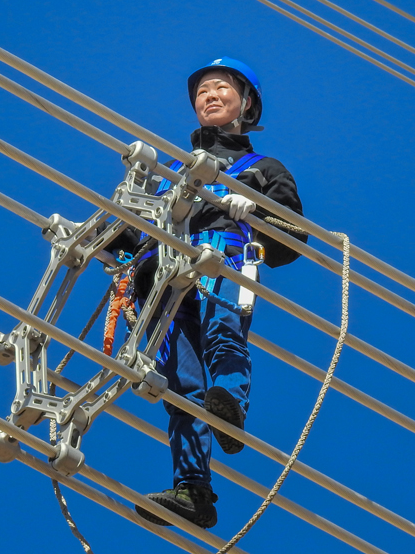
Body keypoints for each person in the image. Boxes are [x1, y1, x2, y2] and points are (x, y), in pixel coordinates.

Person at [123, 57, 307, 528]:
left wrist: (258, 211)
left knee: (223, 333)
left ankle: (229, 406)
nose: (210, 95)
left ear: (246, 105)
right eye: (203, 90)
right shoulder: (171, 171)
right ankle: (193, 491)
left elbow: (293, 239)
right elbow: (130, 232)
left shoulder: (262, 169)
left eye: (221, 87)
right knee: (180, 386)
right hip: (162, 278)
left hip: (222, 258)